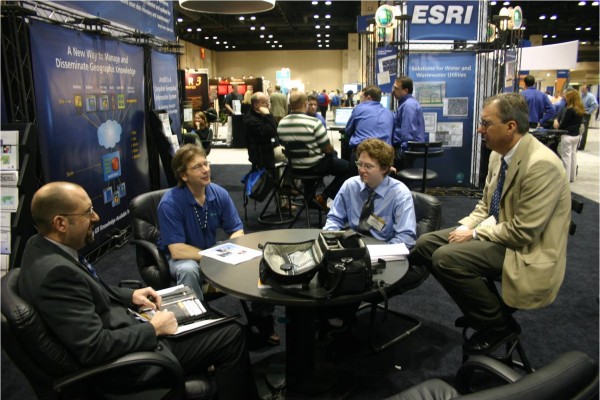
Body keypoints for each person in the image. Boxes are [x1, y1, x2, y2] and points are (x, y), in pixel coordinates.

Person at [18, 181, 259, 399]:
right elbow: (94, 348)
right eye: (87, 212)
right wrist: (153, 328)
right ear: (60, 223)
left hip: (125, 327)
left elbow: (86, 289)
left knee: (197, 312)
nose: (96, 217)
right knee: (232, 334)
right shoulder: (56, 274)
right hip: (129, 366)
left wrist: (130, 295)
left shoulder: (40, 246)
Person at [411, 93, 571, 355]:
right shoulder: (499, 155)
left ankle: (497, 325)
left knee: (446, 259)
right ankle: (483, 311)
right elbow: (485, 205)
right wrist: (466, 227)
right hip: (501, 234)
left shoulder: (542, 165)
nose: (479, 129)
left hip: (527, 249)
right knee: (427, 243)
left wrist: (474, 233)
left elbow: (523, 232)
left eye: (486, 124)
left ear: (511, 127)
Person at [157, 144, 280, 346]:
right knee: (189, 270)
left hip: (211, 250)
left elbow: (236, 230)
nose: (206, 170)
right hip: (182, 256)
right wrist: (215, 255)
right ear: (183, 175)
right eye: (197, 167)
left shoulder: (218, 193)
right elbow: (177, 250)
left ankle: (263, 319)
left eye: (206, 163)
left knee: (260, 259)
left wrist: (235, 248)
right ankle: (198, 336)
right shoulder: (170, 203)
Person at [324, 138, 416, 247]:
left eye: (368, 166)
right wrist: (331, 239)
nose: (361, 170)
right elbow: (334, 218)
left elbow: (406, 238)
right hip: (352, 245)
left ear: (384, 168)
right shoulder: (350, 185)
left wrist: (379, 254)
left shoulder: (400, 194)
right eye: (359, 164)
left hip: (383, 251)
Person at [277, 91, 352, 211]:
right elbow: (327, 148)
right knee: (351, 169)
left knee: (317, 159)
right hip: (314, 166)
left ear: (290, 104)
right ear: (305, 103)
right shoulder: (314, 123)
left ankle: (310, 199)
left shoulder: (281, 123)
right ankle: (324, 197)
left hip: (294, 167)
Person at [345, 85, 394, 174]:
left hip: (362, 155)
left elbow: (348, 130)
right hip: (384, 157)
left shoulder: (359, 108)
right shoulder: (389, 113)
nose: (360, 100)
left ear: (368, 97)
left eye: (361, 97)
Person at [392, 76, 426, 170]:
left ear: (405, 90)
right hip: (408, 147)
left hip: (407, 148)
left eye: (396, 88)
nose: (393, 91)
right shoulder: (407, 103)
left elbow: (408, 131)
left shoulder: (408, 105)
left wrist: (402, 152)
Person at [554, 89, 585, 182]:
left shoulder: (570, 109)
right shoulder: (580, 109)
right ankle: (572, 177)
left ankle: (565, 179)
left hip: (567, 135)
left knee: (566, 157)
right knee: (573, 156)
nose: (565, 98)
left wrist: (558, 128)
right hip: (576, 135)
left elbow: (564, 123)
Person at [578, 85, 598, 150]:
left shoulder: (590, 96)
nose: (582, 90)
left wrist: (589, 112)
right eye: (581, 89)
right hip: (580, 113)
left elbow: (595, 105)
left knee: (584, 131)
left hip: (585, 115)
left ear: (587, 89)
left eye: (583, 89)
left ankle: (582, 146)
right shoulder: (582, 96)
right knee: (579, 129)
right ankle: (578, 144)